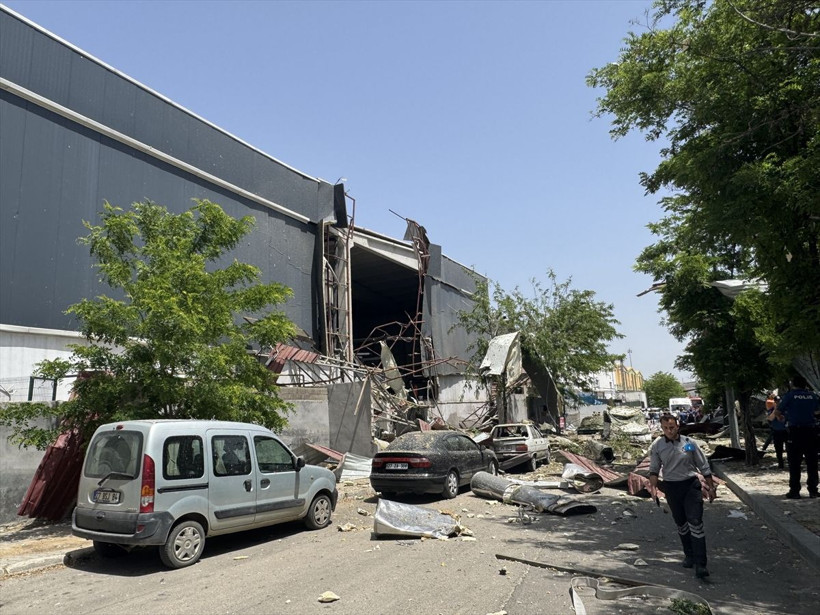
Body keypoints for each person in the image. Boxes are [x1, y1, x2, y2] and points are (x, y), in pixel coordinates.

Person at [648, 413, 717, 579]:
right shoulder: (658, 446)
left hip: (690, 486)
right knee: (681, 523)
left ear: (677, 426)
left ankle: (701, 564)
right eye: (665, 428)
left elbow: (703, 465)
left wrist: (711, 487)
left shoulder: (689, 443)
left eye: (672, 427)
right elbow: (654, 469)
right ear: (662, 428)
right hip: (672, 487)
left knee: (695, 522)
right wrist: (653, 487)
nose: (669, 431)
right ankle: (690, 555)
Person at [775, 375, 819, 499]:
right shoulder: (812, 395)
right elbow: (817, 411)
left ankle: (795, 491)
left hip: (795, 432)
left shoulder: (790, 396)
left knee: (794, 462)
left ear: (793, 384)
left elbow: (778, 412)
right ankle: (813, 490)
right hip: (811, 431)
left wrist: (782, 417)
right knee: (812, 462)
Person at [761, 394, 787, 469]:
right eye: (776, 401)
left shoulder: (785, 409)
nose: (778, 403)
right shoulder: (772, 410)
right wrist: (776, 409)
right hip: (776, 431)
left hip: (786, 431)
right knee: (778, 449)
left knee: (789, 448)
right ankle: (780, 463)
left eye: (779, 401)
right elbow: (770, 418)